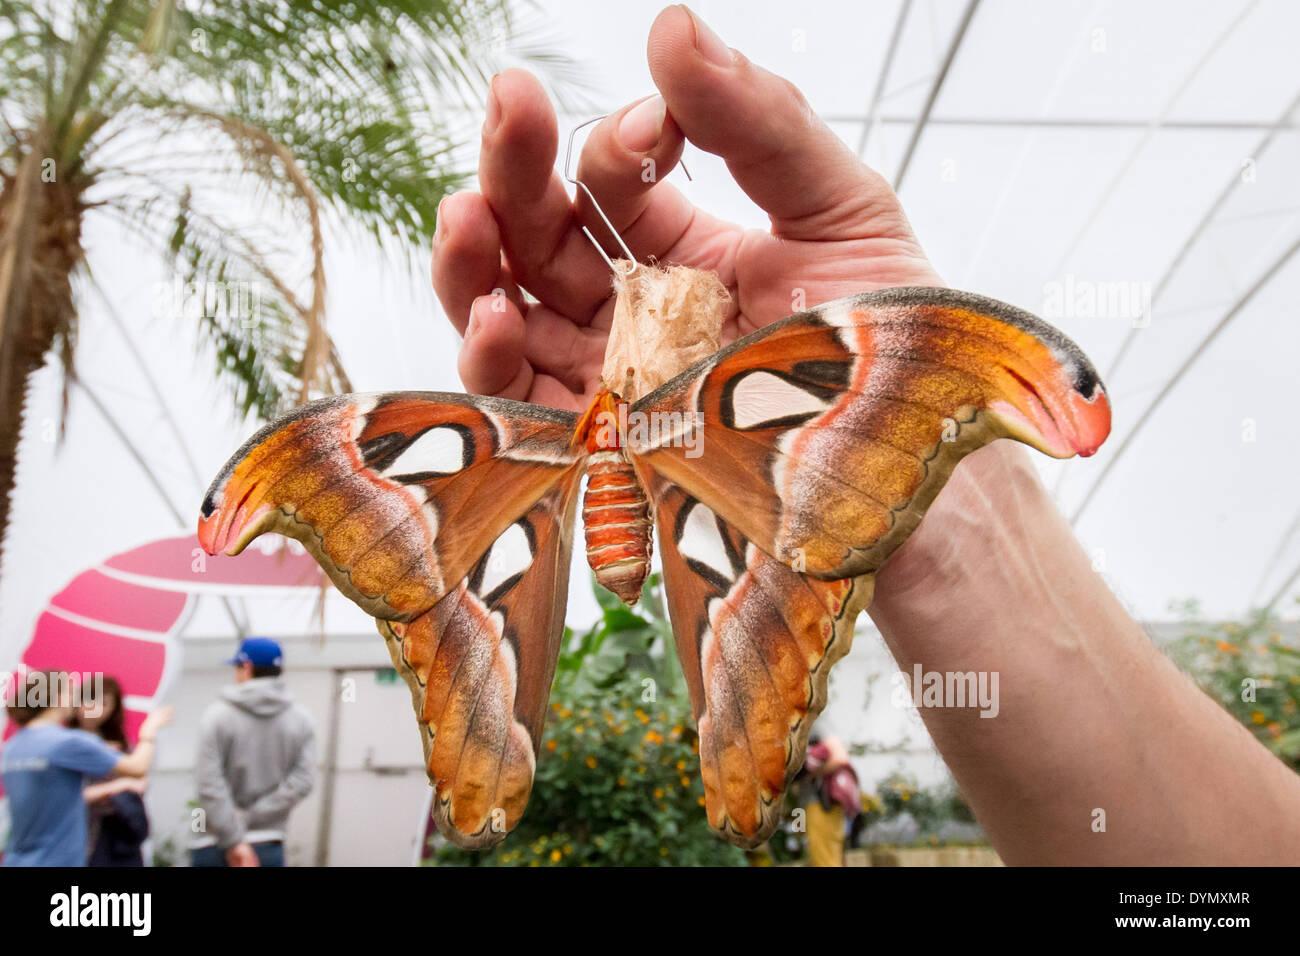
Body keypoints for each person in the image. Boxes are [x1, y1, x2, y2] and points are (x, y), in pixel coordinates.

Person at [430, 5, 1300, 864]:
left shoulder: (600, 418)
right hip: (682, 457)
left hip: (637, 459)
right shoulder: (680, 413)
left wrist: (921, 483)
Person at [1, 670, 171, 867]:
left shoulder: (13, 747)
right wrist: (149, 732)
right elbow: (138, 767)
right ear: (58, 697)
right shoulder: (67, 742)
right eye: (71, 693)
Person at [190, 637, 316, 867]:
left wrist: (233, 838)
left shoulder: (217, 716)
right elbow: (303, 781)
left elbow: (208, 783)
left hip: (214, 844)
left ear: (246, 667)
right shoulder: (301, 720)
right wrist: (254, 816)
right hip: (266, 842)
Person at [76, 675, 151, 866]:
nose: (95, 708)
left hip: (119, 826)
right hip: (82, 830)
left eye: (105, 703)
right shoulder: (66, 742)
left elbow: (140, 779)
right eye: (90, 699)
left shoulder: (119, 741)